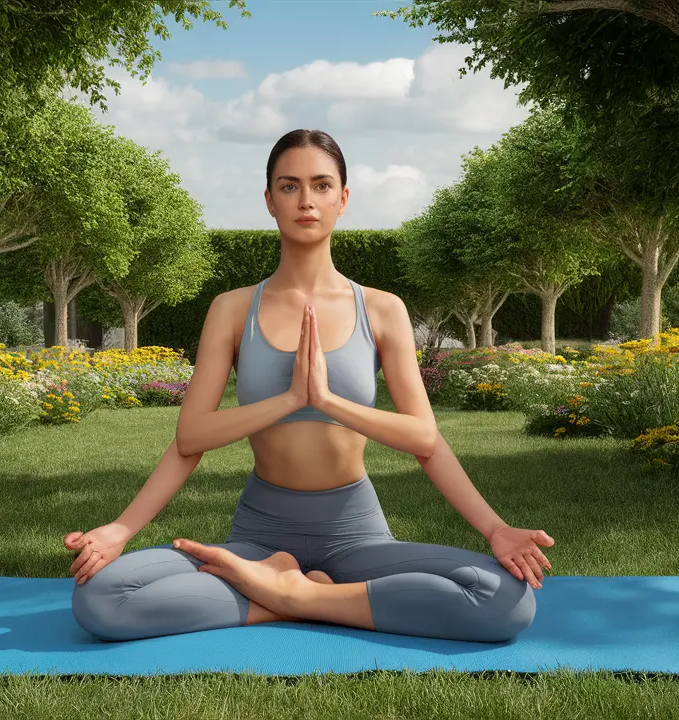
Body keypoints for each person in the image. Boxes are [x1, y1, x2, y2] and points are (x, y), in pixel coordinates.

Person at [65, 129, 555, 643]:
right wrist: (121, 529)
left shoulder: (382, 309)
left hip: (357, 536)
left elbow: (424, 441)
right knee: (101, 599)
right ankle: (293, 587)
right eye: (289, 186)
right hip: (259, 536)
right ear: (270, 200)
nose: (306, 200)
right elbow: (191, 440)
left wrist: (327, 402)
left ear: (343, 199)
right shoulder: (231, 310)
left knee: (507, 603)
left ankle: (296, 596)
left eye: (321, 185)